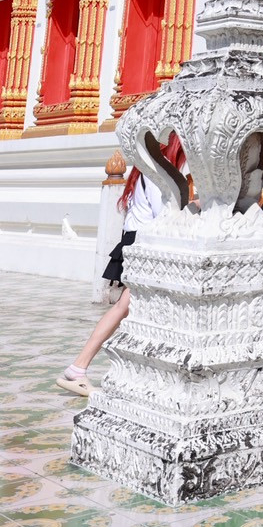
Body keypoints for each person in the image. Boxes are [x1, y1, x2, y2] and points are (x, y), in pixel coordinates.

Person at [56, 136, 187, 396]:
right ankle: (79, 368)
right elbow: (166, 212)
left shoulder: (150, 167)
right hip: (144, 241)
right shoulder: (160, 170)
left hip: (139, 239)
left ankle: (85, 368)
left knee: (134, 308)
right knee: (126, 306)